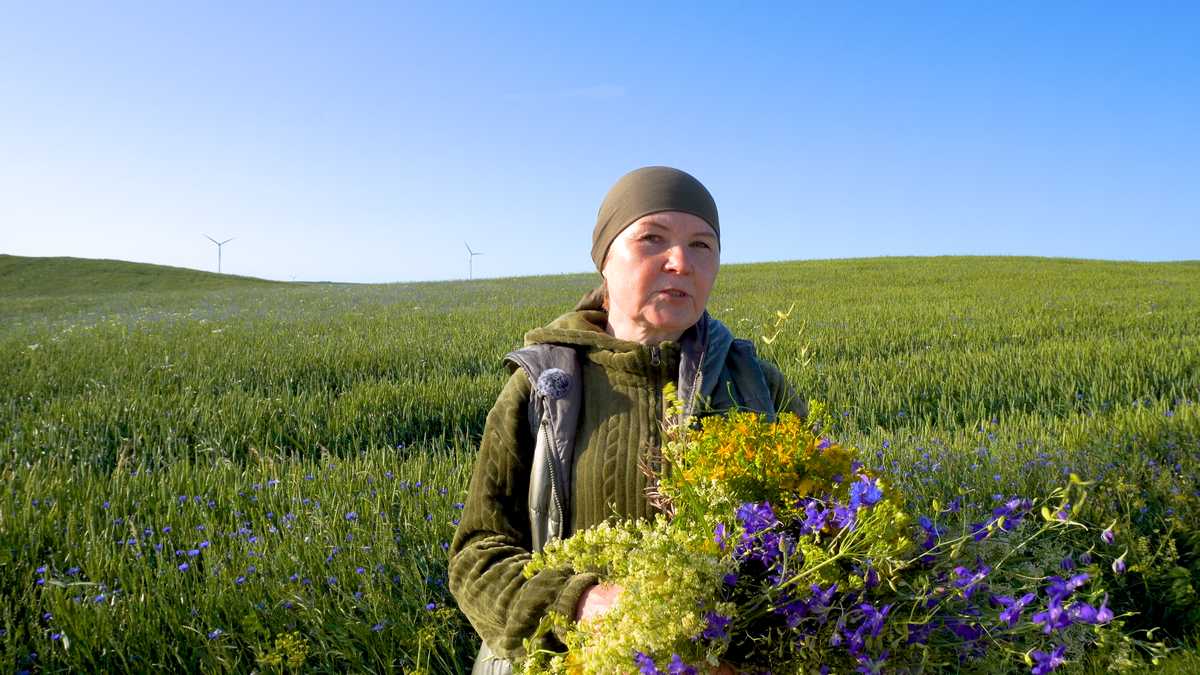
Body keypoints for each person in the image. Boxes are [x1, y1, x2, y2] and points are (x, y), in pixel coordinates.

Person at [449, 166, 808, 674]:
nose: (680, 262)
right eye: (651, 239)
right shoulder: (545, 386)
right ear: (605, 261)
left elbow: (817, 545)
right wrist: (577, 604)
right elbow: (476, 555)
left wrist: (748, 655)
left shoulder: (757, 386)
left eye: (702, 246)